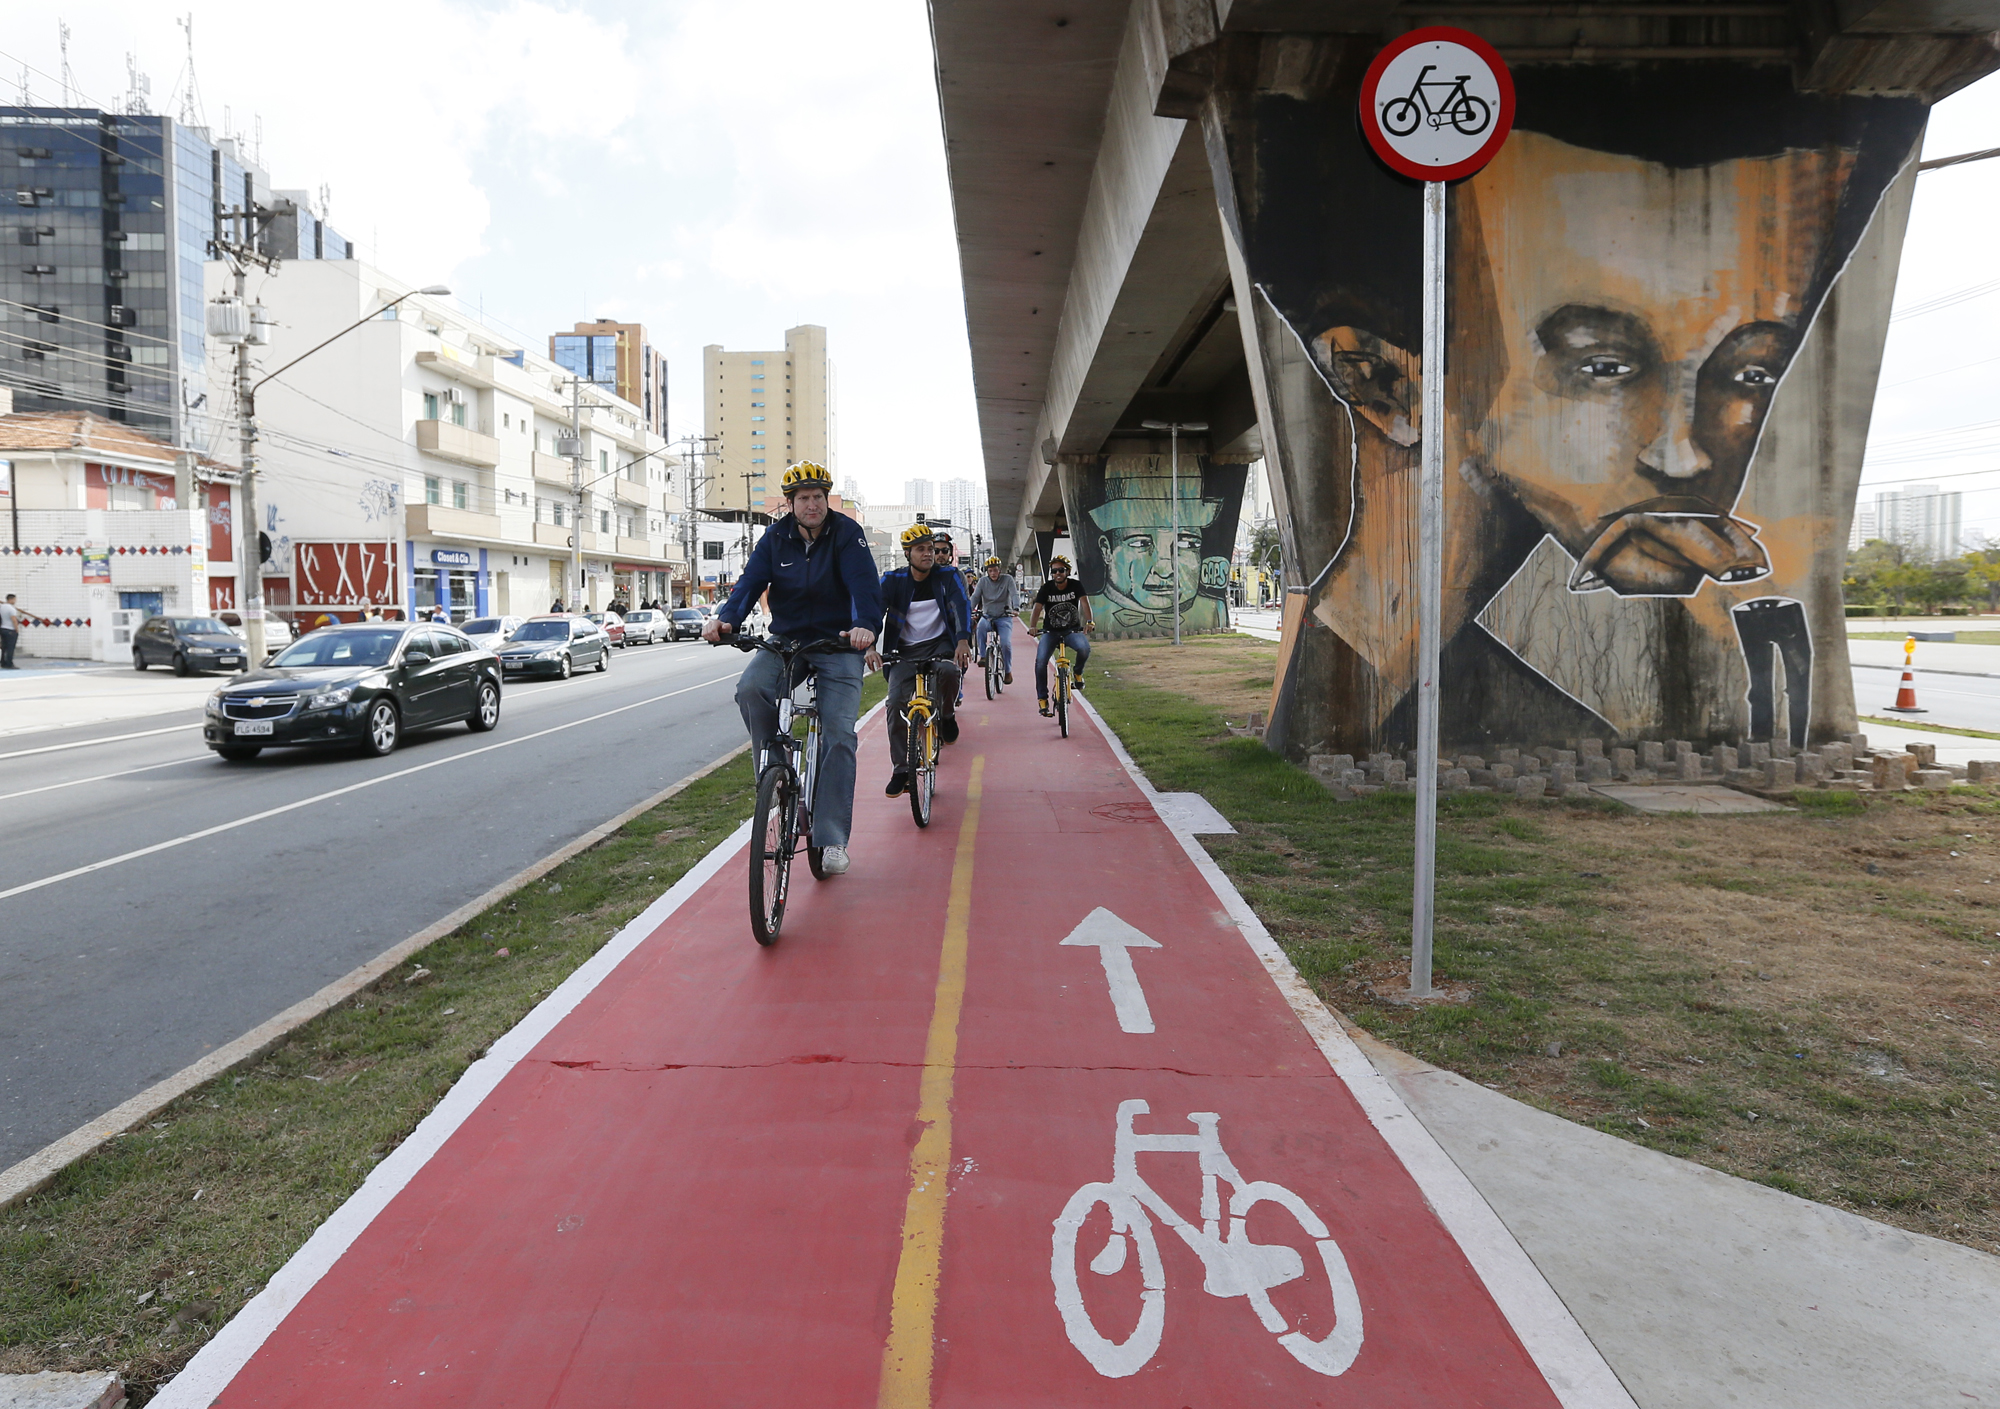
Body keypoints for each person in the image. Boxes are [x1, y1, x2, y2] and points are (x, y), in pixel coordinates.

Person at [704, 461, 880, 875]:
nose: (813, 504)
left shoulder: (847, 534)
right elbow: (749, 583)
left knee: (838, 734)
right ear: (790, 504)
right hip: (788, 640)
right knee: (751, 688)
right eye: (804, 498)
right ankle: (774, 767)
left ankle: (833, 838)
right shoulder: (774, 538)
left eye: (818, 496)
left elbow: (865, 586)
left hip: (838, 643)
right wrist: (728, 618)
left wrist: (866, 627)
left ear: (826, 500)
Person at [869, 524, 972, 797]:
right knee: (894, 704)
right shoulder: (892, 580)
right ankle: (901, 769)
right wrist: (869, 645)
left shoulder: (947, 576)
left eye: (930, 549)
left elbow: (961, 605)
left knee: (950, 673)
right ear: (907, 553)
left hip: (940, 643)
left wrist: (962, 640)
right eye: (921, 549)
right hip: (903, 649)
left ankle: (947, 715)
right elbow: (873, 613)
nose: (928, 554)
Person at [1029, 556, 1093, 715]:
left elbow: (1085, 603)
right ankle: (1042, 699)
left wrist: (1090, 621)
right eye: (1054, 571)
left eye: (1061, 570)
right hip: (1050, 632)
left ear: (1067, 572)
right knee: (1040, 662)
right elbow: (1037, 609)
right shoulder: (1046, 588)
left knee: (1084, 649)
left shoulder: (1075, 586)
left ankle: (1077, 673)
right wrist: (1032, 627)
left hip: (1071, 630)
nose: (1058, 573)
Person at [971, 556, 1018, 685]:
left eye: (995, 570)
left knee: (1005, 644)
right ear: (987, 571)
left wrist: (1016, 607)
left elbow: (1014, 594)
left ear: (1000, 570)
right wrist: (968, 610)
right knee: (980, 628)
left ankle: (1007, 671)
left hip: (1004, 617)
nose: (993, 573)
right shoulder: (982, 582)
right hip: (988, 616)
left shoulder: (1007, 579)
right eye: (990, 571)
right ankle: (983, 656)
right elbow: (975, 597)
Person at [0, 593, 28, 669]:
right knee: (10, 648)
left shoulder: (2, 607)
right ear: (11, 599)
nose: (15, 601)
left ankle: (3, 662)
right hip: (10, 629)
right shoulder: (11, 609)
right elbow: (14, 620)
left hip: (3, 628)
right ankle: (9, 663)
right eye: (15, 599)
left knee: (4, 647)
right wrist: (16, 629)